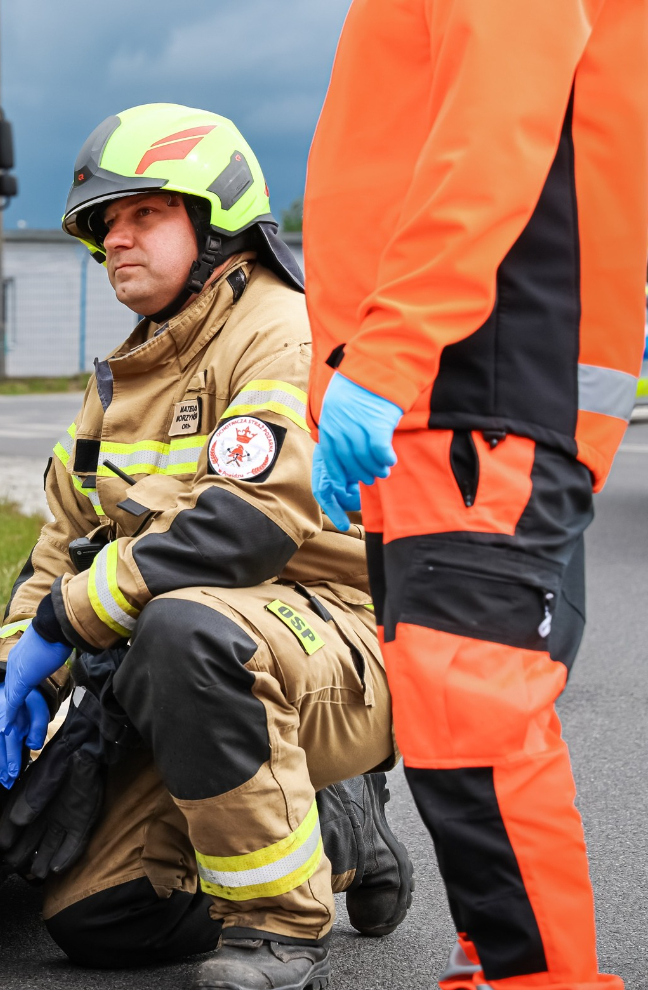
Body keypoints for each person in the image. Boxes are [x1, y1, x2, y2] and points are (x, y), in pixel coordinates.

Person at [0, 104, 412, 990]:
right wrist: (12, 672)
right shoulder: (123, 378)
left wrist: (70, 621)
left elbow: (243, 528)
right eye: (104, 224)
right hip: (183, 666)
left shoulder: (284, 332)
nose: (116, 240)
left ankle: (279, 930)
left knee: (184, 627)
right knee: (102, 919)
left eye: (144, 214)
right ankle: (333, 833)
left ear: (216, 220)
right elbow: (59, 547)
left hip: (334, 646)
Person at [305, 5, 646, 989]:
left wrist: (391, 351)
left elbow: (495, 117)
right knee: (457, 730)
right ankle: (502, 969)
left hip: (467, 382)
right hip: (453, 393)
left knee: (471, 720)